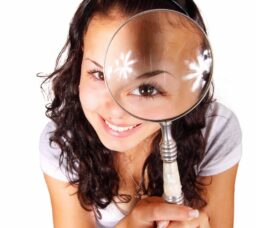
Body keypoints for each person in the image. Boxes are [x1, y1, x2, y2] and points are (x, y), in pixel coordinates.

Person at [39, 0, 242, 227]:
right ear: (78, 66)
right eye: (99, 74)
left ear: (187, 86)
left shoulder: (214, 129)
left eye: (146, 89)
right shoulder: (64, 142)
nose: (116, 109)